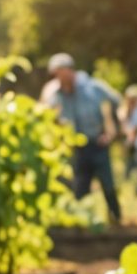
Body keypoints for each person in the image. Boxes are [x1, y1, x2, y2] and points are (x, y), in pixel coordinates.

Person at [40, 52, 122, 225]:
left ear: (70, 70)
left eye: (60, 73)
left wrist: (112, 132)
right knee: (80, 188)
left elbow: (116, 101)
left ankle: (116, 217)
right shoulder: (55, 93)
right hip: (76, 148)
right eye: (56, 75)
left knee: (107, 184)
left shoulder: (93, 87)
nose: (59, 78)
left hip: (98, 143)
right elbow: (44, 112)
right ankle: (85, 224)